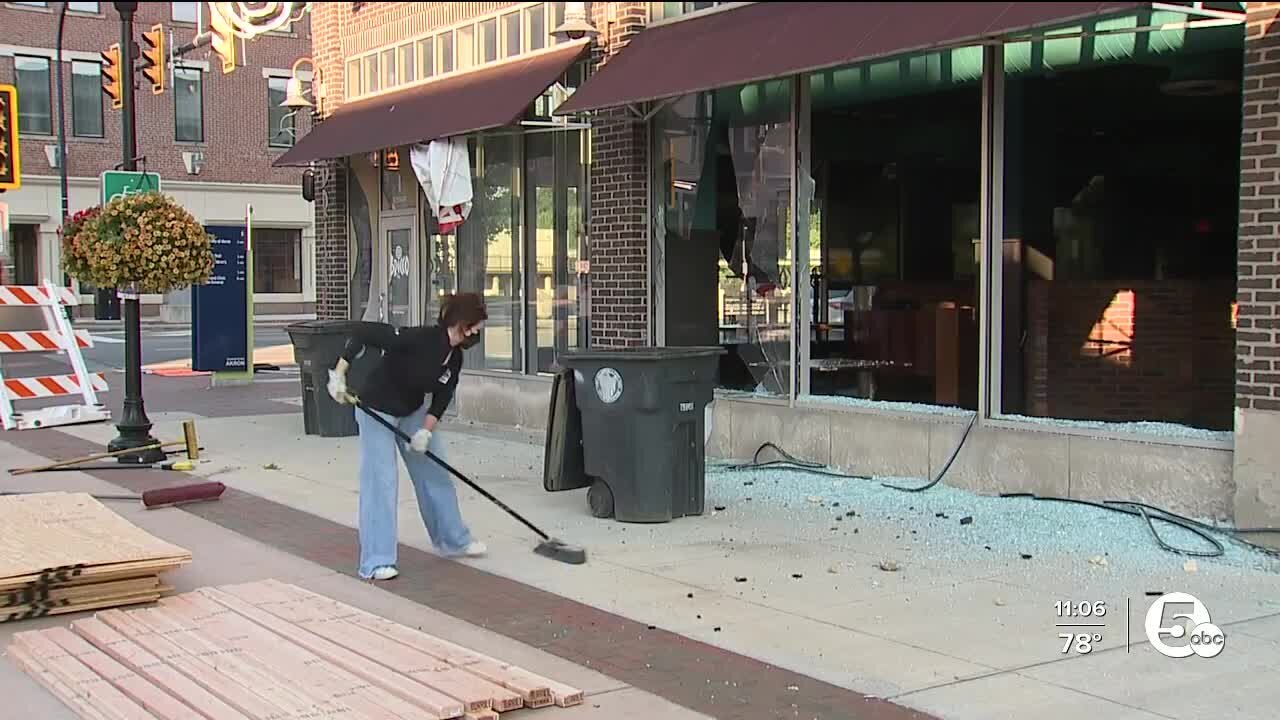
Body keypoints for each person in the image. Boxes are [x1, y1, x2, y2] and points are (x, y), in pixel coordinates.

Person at [326, 292, 489, 581]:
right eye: (476, 325)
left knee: (434, 472)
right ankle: (376, 562)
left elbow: (442, 397)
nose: (478, 331)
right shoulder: (419, 339)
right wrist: (338, 375)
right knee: (382, 480)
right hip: (376, 406)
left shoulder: (455, 358)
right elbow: (362, 332)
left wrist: (426, 430)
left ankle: (452, 541)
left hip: (412, 412)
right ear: (462, 323)